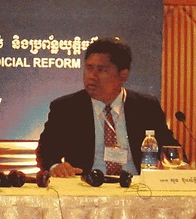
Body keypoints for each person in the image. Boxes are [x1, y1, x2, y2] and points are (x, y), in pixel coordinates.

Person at [37, 37, 181, 177]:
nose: (92, 76)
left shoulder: (145, 107)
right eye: (89, 68)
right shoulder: (67, 108)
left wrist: (179, 164)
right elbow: (46, 152)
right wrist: (55, 166)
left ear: (123, 75)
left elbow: (170, 149)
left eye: (102, 70)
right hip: (85, 185)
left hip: (136, 186)